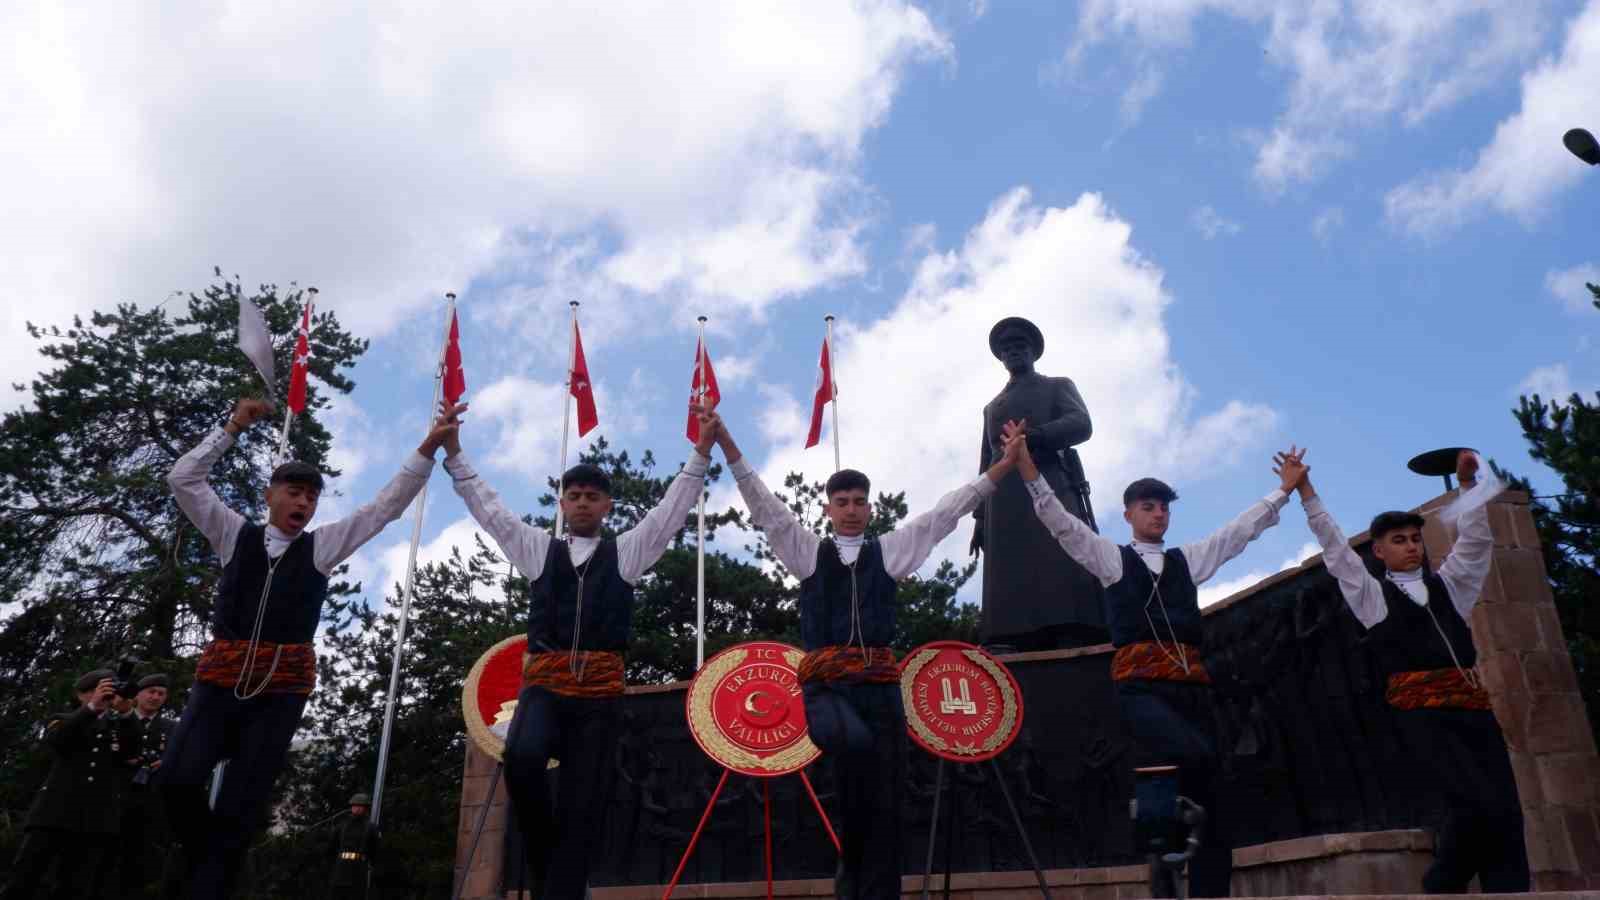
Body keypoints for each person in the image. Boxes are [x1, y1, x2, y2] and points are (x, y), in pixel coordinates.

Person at [712, 413, 1024, 899]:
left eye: (859, 502)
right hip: (827, 689)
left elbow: (945, 514)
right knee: (853, 747)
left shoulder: (891, 552)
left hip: (880, 690)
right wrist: (728, 443)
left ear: (870, 508)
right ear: (829, 508)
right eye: (842, 502)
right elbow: (765, 506)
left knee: (881, 811)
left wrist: (1002, 468)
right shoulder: (807, 553)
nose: (852, 510)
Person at [159, 396, 458, 900]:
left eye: (312, 498)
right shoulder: (233, 534)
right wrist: (232, 426)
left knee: (240, 810)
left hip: (281, 690)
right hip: (220, 680)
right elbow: (183, 480)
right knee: (176, 779)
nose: (303, 504)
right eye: (294, 492)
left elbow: (383, 507)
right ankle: (208, 856)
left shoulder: (321, 547)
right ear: (271, 494)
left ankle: (210, 879)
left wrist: (427, 448)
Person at [1010, 425, 1300, 897]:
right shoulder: (1111, 559)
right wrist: (1027, 467)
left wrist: (1283, 492)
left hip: (1193, 690)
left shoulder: (1189, 561)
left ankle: (1197, 888)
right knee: (1191, 758)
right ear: (1128, 514)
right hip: (1140, 689)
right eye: (1148, 506)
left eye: (1164, 507)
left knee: (1196, 799)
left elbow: (1239, 532)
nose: (1158, 514)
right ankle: (1167, 867)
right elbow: (1059, 521)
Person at [441, 401, 717, 899]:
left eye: (592, 496)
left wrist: (700, 453)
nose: (583, 503)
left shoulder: (626, 554)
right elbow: (492, 512)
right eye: (574, 496)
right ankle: (551, 866)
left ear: (607, 505)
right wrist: (456, 456)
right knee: (523, 758)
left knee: (582, 804)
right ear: (562, 504)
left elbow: (670, 511)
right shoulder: (537, 550)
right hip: (546, 684)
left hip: (600, 692)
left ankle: (564, 889)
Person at [1286, 449, 1528, 892]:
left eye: (1416, 538)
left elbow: (1475, 545)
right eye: (1399, 540)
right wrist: (1306, 492)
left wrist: (1469, 488)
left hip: (1474, 710)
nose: (1411, 546)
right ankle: (1440, 885)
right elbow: (1337, 551)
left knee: (1506, 810)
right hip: (1422, 717)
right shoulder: (1372, 597)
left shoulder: (1450, 587)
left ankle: (1507, 890)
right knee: (1473, 805)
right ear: (1378, 551)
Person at [970, 316, 1105, 650]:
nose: (1014, 352)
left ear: (1033, 352)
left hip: (1051, 482)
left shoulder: (1057, 386)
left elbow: (1081, 423)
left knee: (1059, 555)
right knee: (1008, 569)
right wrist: (980, 517)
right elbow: (986, 458)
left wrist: (1039, 436)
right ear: (1001, 357)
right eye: (1007, 349)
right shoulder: (991, 408)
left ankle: (1071, 625)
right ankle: (1010, 634)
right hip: (1003, 500)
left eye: (1020, 346)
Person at [2, 669, 136, 900]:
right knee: (25, 877)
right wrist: (91, 708)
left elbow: (132, 752)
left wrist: (126, 713)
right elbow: (59, 741)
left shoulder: (118, 727)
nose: (104, 696)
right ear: (81, 695)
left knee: (74, 885)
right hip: (54, 813)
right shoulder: (63, 719)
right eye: (97, 690)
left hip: (93, 819)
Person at [115, 674, 175, 900]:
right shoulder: (117, 719)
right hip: (113, 797)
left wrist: (168, 763)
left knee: (137, 864)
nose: (155, 697)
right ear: (138, 694)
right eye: (151, 691)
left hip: (149, 804)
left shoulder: (172, 729)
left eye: (161, 694)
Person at [327, 793, 378, 900]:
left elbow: (374, 850)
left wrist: (371, 864)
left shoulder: (370, 828)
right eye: (355, 806)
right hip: (340, 869)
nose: (357, 808)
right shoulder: (341, 826)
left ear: (365, 808)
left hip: (358, 870)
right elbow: (331, 848)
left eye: (360, 806)